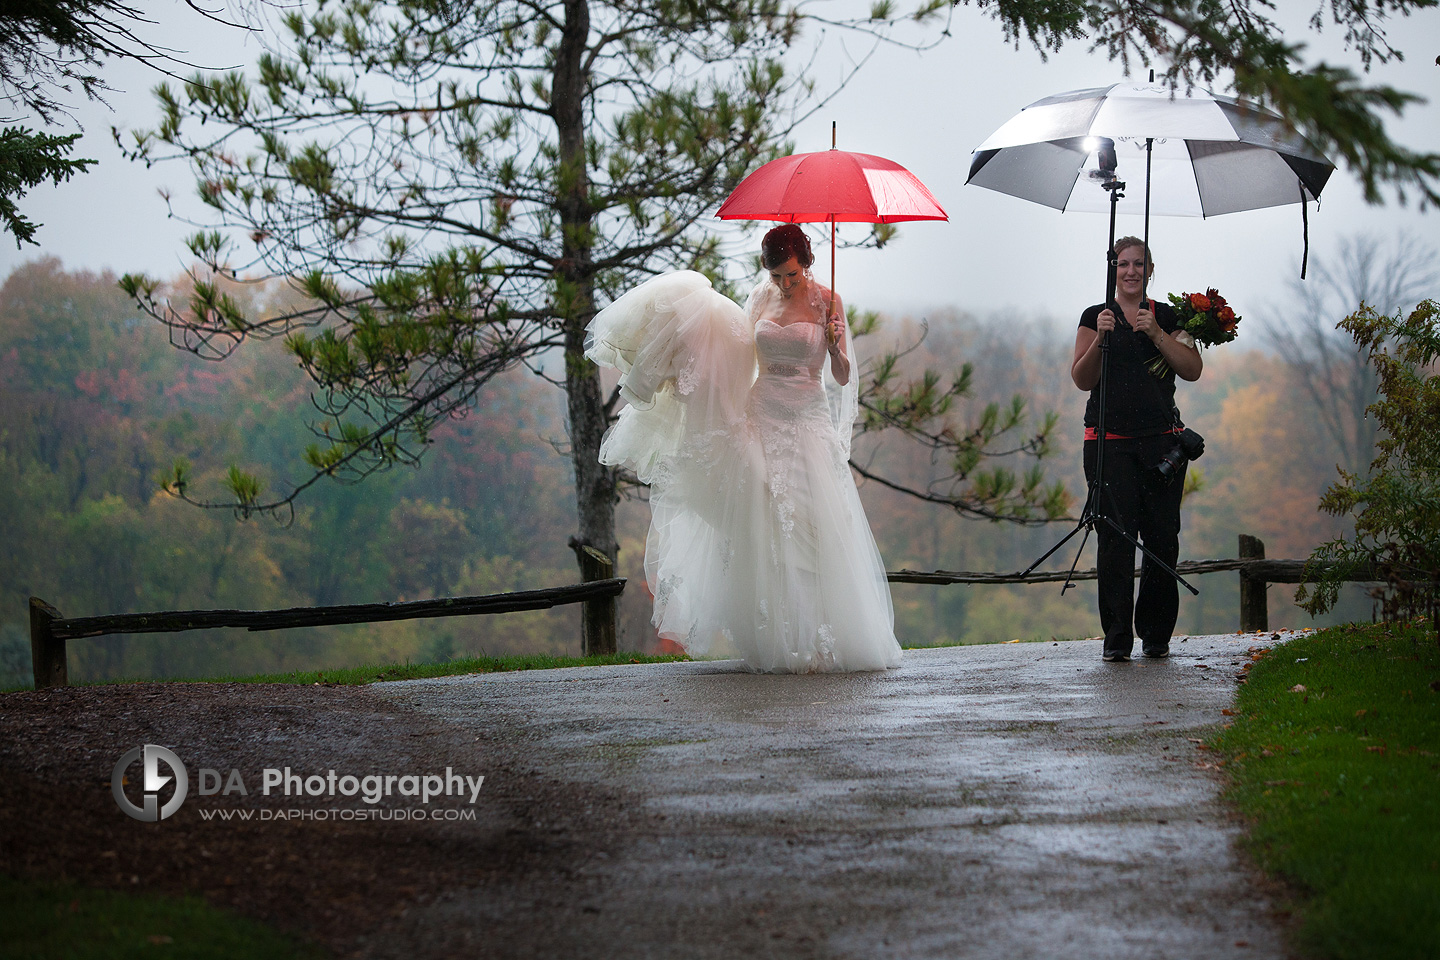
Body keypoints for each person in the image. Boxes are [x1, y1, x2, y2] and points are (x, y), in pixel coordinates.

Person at [584, 224, 902, 673]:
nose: (784, 284)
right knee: (767, 521)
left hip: (807, 417)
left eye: (791, 274)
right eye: (776, 276)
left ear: (805, 263)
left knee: (813, 523)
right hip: (763, 413)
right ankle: (782, 636)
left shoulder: (828, 302)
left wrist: (835, 348)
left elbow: (844, 377)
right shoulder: (759, 298)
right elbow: (742, 352)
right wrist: (702, 367)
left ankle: (822, 639)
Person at [1070, 238, 1203, 662]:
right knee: (1115, 540)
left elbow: (1192, 369)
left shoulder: (1166, 316)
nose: (1130, 271)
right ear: (1113, 269)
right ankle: (1116, 638)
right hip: (1109, 446)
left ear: (1150, 269)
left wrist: (1157, 333)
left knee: (1163, 538)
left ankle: (1156, 634)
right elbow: (1081, 378)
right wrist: (1100, 339)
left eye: (1138, 264)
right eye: (1123, 264)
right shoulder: (1096, 317)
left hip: (1163, 446)